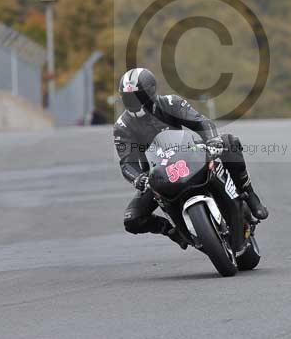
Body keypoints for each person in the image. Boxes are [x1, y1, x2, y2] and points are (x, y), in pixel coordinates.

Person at [113, 68, 268, 249]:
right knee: (132, 219)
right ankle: (172, 231)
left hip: (188, 156)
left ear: (150, 93)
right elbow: (126, 163)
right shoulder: (122, 126)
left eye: (137, 96)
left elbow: (202, 122)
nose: (133, 102)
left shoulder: (171, 103)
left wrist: (213, 140)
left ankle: (249, 194)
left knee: (229, 141)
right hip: (157, 175)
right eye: (128, 97)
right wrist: (139, 178)